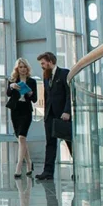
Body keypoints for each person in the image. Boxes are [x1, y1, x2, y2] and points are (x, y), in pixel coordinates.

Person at [35, 52, 72, 181]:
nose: (42, 67)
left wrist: (67, 111)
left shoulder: (64, 73)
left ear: (50, 61)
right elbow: (47, 97)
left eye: (43, 64)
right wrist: (45, 115)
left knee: (70, 143)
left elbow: (69, 94)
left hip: (63, 115)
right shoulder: (46, 77)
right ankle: (48, 172)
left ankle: (78, 169)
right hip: (49, 116)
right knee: (50, 144)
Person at [7, 58, 38, 178]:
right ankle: (29, 162)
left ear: (27, 68)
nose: (23, 69)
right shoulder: (13, 80)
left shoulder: (32, 81)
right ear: (17, 68)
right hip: (15, 110)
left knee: (21, 137)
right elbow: (8, 94)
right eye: (20, 67)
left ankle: (19, 166)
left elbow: (35, 99)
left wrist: (30, 93)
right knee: (21, 139)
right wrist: (11, 87)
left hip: (26, 110)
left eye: (24, 67)